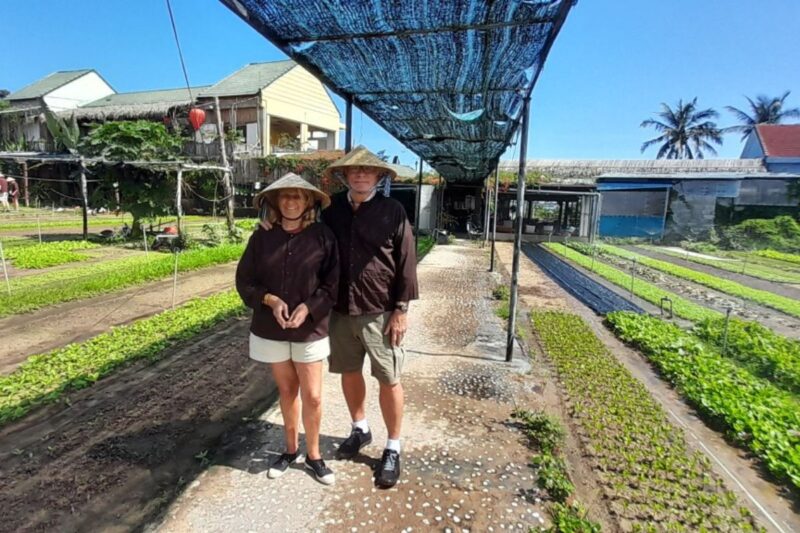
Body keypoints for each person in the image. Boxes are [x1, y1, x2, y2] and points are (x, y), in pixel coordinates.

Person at [321, 146, 419, 488]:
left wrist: (401, 310)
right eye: (354, 171)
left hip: (380, 309)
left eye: (367, 171)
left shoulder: (393, 211)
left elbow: (406, 261)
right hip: (340, 309)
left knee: (389, 377)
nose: (360, 175)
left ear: (378, 176)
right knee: (348, 371)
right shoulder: (331, 208)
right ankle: (359, 428)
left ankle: (393, 446)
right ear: (346, 175)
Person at [236, 172, 339, 485]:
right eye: (285, 196)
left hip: (310, 328)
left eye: (298, 196)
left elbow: (332, 283)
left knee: (314, 396)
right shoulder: (262, 237)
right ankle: (290, 449)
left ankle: (315, 454)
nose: (291, 202)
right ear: (275, 202)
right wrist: (270, 300)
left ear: (308, 201)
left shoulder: (323, 236)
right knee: (286, 390)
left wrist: (308, 307)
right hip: (273, 327)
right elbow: (245, 281)